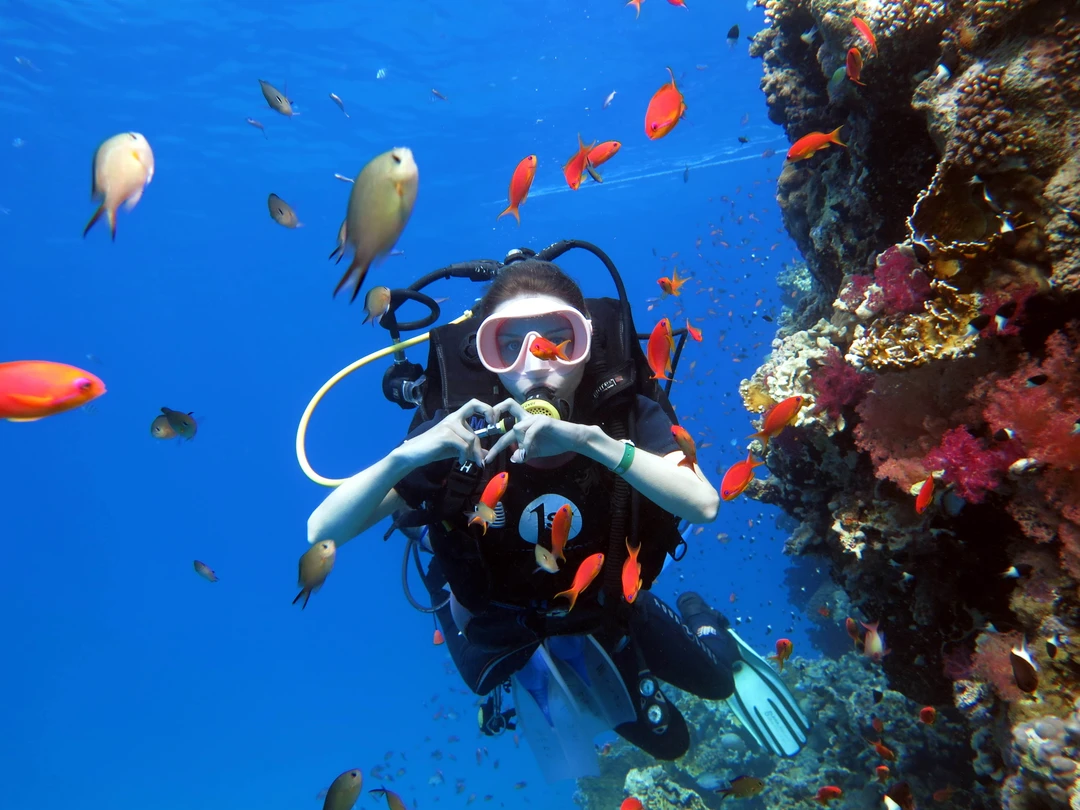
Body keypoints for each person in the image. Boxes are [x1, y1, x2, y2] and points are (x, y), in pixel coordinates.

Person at [307, 259, 808, 779]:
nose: (536, 364)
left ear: (587, 339)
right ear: (486, 357)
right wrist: (408, 455)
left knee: (708, 697)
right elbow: (322, 532)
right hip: (497, 620)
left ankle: (697, 617)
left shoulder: (623, 416)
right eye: (508, 345)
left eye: (557, 341)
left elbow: (704, 505)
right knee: (490, 678)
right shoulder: (459, 431)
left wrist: (593, 442)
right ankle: (567, 674)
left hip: (603, 606)